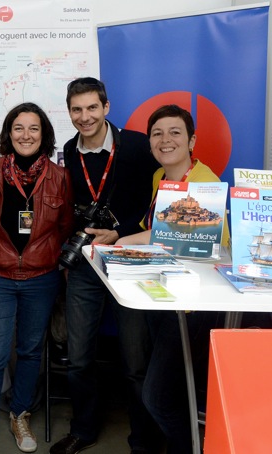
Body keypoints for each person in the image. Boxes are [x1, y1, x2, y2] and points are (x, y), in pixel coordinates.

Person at [50, 77, 161, 454]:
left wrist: (121, 233)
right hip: (87, 264)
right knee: (79, 358)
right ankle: (84, 429)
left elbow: (156, 204)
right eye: (77, 110)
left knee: (134, 362)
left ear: (107, 107)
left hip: (130, 260)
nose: (85, 117)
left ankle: (143, 439)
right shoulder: (69, 148)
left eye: (92, 108)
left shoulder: (137, 146)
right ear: (69, 112)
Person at [117, 104, 228, 454]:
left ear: (192, 140)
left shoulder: (205, 184)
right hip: (163, 292)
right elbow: (157, 229)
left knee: (159, 397)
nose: (165, 140)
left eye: (175, 132)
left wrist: (124, 242)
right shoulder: (160, 178)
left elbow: (181, 236)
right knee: (171, 391)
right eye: (157, 133)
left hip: (192, 305)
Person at [0, 103, 74, 454]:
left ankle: (19, 414)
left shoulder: (60, 177)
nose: (25, 135)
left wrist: (41, 257)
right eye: (18, 128)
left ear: (44, 134)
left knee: (30, 351)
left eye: (33, 128)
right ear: (8, 133)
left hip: (41, 276)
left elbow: (63, 228)